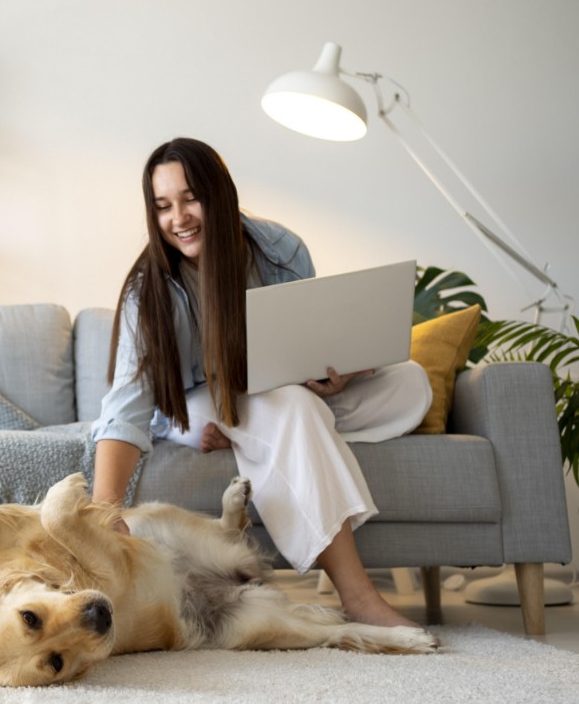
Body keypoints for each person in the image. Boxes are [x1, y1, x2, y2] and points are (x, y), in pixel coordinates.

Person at [91, 137, 433, 629]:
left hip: (279, 391)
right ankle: (357, 595)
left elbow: (310, 341)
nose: (179, 218)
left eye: (191, 198)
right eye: (163, 206)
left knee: (410, 384)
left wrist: (328, 377)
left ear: (220, 193)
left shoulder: (280, 251)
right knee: (293, 407)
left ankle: (276, 436)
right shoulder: (149, 293)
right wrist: (106, 511)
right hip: (202, 406)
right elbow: (124, 409)